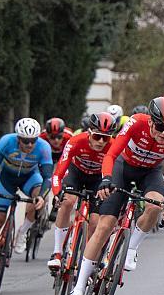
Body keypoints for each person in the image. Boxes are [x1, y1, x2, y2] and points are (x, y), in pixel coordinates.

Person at [66, 96, 164, 295]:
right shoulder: (136, 122)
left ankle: (131, 248)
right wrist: (105, 178)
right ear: (150, 121)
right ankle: (79, 287)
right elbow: (111, 154)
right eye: (161, 126)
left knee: (155, 205)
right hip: (123, 167)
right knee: (104, 226)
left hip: (150, 172)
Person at [0, 118, 53, 280]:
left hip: (30, 179)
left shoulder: (43, 147)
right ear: (18, 138)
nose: (29, 145)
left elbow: (48, 176)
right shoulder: (7, 141)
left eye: (33, 141)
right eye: (25, 141)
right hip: (6, 180)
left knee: (40, 198)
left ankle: (23, 231)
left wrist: (41, 197)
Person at [47, 112, 116, 271]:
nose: (100, 141)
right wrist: (58, 193)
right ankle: (57, 253)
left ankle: (88, 260)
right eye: (97, 136)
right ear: (89, 133)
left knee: (94, 222)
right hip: (76, 174)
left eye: (105, 138)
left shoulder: (113, 146)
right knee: (67, 202)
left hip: (98, 180)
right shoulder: (75, 141)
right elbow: (57, 174)